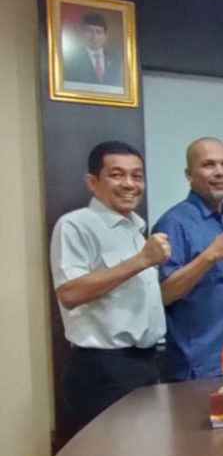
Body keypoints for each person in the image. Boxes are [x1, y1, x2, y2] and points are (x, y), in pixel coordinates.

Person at [49, 141, 169, 433]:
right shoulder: (76, 225)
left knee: (146, 450)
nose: (129, 184)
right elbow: (69, 293)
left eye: (137, 176)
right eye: (117, 175)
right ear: (93, 182)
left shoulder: (136, 230)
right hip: (103, 369)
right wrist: (142, 260)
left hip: (146, 362)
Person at [152, 138, 223, 380]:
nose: (220, 172)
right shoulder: (174, 222)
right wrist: (209, 256)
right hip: (201, 367)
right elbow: (164, 294)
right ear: (189, 175)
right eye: (209, 165)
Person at [63, 12, 123, 87]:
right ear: (82, 33)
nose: (94, 36)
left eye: (99, 32)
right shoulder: (72, 59)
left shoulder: (115, 60)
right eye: (89, 31)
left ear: (105, 36)